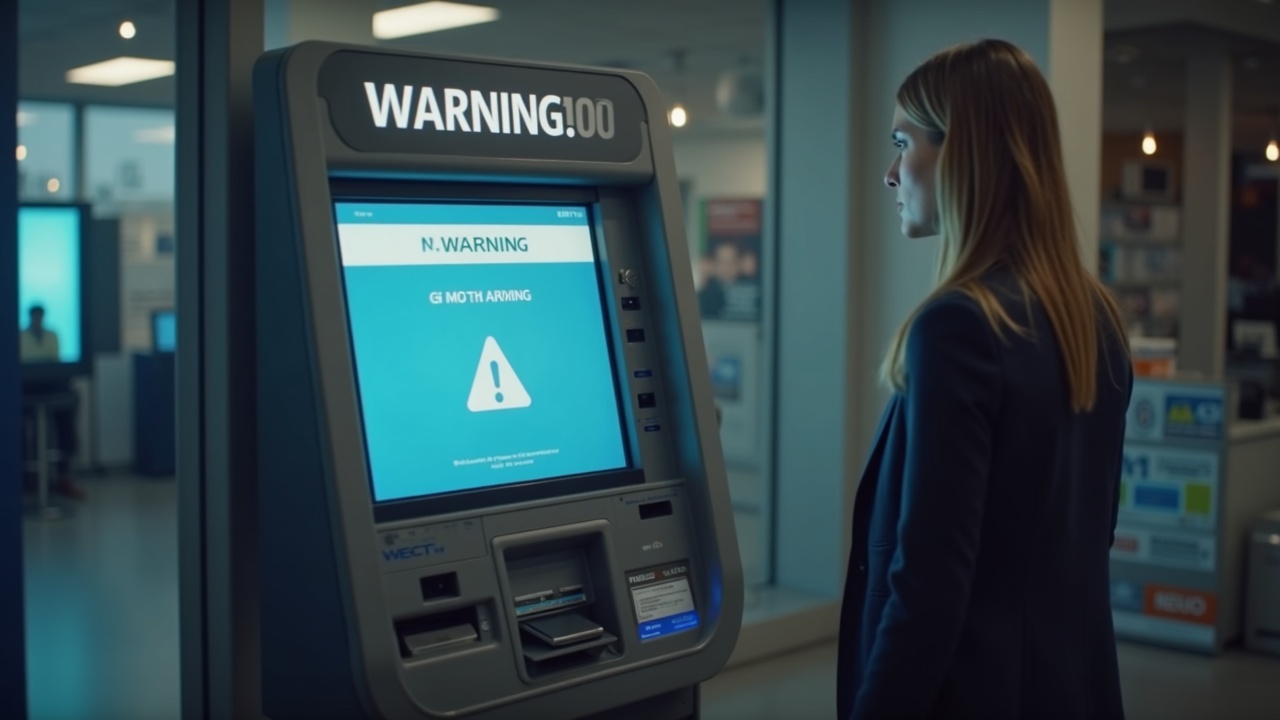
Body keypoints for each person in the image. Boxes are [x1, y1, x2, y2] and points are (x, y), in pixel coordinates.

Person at [838, 39, 1131, 720]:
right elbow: (1087, 539)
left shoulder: (959, 327)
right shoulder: (1098, 318)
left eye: (902, 142)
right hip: (1070, 687)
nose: (890, 172)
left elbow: (931, 584)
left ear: (963, 153)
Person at [18, 304, 84, 499]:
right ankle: (26, 479)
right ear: (30, 317)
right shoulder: (20, 336)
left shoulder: (52, 335)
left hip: (52, 386)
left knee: (67, 423)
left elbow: (53, 360)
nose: (37, 320)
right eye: (35, 317)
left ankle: (63, 476)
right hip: (27, 389)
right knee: (22, 429)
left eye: (40, 317)